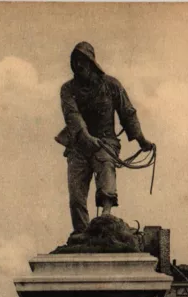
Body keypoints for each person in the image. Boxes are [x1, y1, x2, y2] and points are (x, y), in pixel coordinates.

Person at [56, 42, 154, 236]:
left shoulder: (111, 85)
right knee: (76, 196)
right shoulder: (67, 89)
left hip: (106, 142)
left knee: (106, 167)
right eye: (74, 62)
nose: (78, 66)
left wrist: (142, 140)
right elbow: (72, 115)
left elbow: (128, 113)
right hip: (78, 144)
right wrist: (86, 137)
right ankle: (81, 233)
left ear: (91, 63)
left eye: (82, 62)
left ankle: (106, 217)